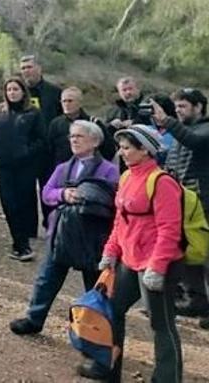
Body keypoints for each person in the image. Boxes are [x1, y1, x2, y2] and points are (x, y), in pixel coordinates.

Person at [82, 125, 183, 382]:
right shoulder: (127, 177)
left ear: (145, 151)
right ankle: (107, 368)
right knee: (112, 311)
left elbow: (170, 230)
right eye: (121, 147)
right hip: (129, 259)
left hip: (154, 265)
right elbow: (121, 221)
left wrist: (157, 268)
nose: (121, 153)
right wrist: (110, 252)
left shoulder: (162, 183)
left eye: (127, 148)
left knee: (161, 325)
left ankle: (167, 379)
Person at [9, 121, 119, 336]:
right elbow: (46, 193)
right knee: (47, 279)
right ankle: (34, 319)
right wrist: (63, 195)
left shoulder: (110, 170)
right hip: (61, 232)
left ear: (95, 141)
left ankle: (96, 328)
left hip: (93, 236)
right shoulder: (62, 167)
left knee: (94, 284)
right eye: (72, 136)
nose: (74, 140)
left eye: (80, 136)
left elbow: (113, 201)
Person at [151, 88, 209, 321]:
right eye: (176, 108)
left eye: (183, 106)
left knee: (206, 256)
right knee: (187, 253)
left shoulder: (204, 129)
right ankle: (196, 301)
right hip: (184, 201)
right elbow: (173, 161)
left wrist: (167, 121)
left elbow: (194, 142)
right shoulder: (183, 131)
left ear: (199, 107)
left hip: (205, 202)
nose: (179, 111)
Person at [0, 78, 46, 261]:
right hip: (3, 166)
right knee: (8, 204)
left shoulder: (33, 113)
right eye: (9, 89)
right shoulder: (0, 112)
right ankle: (19, 242)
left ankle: (22, 246)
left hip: (25, 167)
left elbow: (41, 140)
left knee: (22, 204)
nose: (12, 92)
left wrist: (26, 153)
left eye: (16, 89)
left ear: (23, 91)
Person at [20, 55, 61, 227]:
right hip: (27, 150)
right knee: (26, 191)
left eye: (29, 67)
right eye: (23, 68)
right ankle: (29, 228)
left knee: (48, 189)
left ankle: (51, 224)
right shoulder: (18, 93)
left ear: (39, 68)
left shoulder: (54, 92)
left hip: (48, 151)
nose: (26, 71)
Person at [46, 87, 113, 165]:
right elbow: (50, 151)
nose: (66, 104)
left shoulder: (93, 123)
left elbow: (108, 149)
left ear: (80, 103)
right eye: (64, 101)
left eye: (70, 101)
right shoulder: (56, 124)